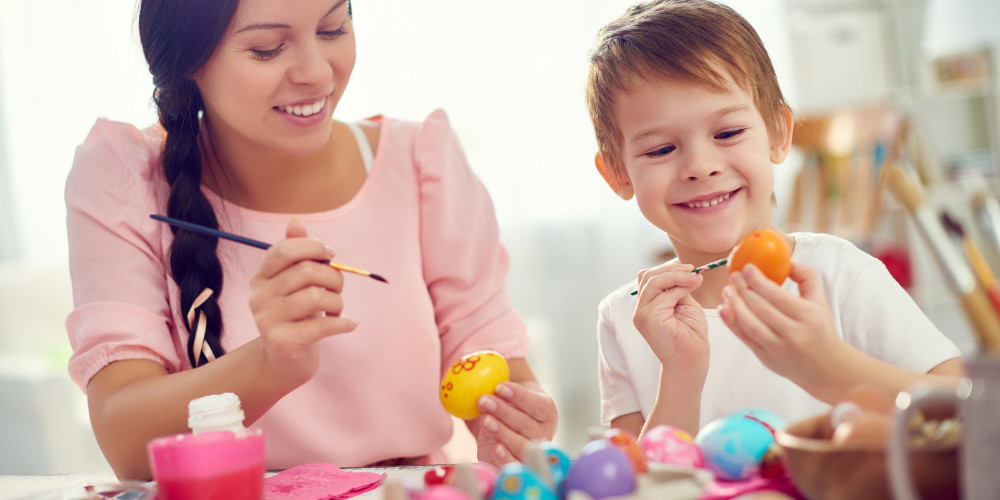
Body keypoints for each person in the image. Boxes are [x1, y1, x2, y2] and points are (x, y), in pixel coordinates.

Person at [65, 0, 557, 480]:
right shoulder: (123, 176)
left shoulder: (424, 163)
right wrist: (269, 364)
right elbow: (125, 443)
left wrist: (513, 423)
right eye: (267, 48)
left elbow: (496, 365)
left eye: (332, 29)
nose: (318, 73)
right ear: (186, 59)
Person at [584, 0, 963, 439]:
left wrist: (829, 365)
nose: (700, 166)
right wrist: (681, 376)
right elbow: (633, 482)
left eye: (727, 133)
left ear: (779, 134)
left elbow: (970, 411)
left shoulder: (841, 274)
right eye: (660, 150)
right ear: (618, 173)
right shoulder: (625, 318)